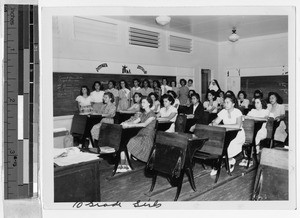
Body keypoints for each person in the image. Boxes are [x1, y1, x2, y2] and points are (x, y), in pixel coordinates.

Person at [118, 96, 157, 172]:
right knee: (126, 141)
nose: (142, 104)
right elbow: (134, 122)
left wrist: (129, 125)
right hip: (141, 133)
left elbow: (144, 124)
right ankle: (124, 164)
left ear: (149, 103)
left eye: (144, 102)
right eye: (141, 102)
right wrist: (125, 123)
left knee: (131, 141)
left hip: (147, 136)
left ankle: (126, 165)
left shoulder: (152, 114)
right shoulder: (143, 113)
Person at [210, 94, 245, 175]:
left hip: (238, 134)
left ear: (233, 104)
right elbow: (215, 122)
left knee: (229, 145)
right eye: (224, 102)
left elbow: (237, 126)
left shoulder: (237, 112)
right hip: (226, 133)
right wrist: (213, 123)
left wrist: (222, 125)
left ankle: (230, 160)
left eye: (227, 102)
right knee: (218, 143)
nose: (225, 104)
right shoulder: (223, 111)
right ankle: (218, 163)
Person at [241, 98, 270, 166]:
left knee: (255, 136)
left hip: (261, 130)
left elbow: (265, 119)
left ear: (262, 103)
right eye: (255, 103)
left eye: (258, 102)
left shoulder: (265, 111)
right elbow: (246, 117)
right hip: (251, 129)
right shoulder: (252, 110)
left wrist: (252, 118)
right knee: (243, 134)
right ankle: (246, 155)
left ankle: (250, 158)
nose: (256, 104)